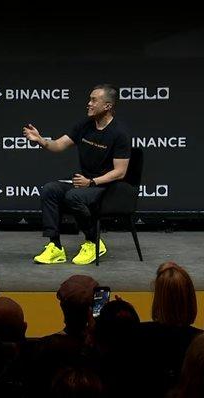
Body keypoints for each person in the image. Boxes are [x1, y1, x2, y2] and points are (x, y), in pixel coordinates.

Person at [23, 84, 131, 265]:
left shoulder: (119, 133)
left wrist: (92, 182)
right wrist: (41, 141)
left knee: (74, 196)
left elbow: (120, 172)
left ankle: (93, 241)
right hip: (85, 183)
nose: (89, 104)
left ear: (107, 106)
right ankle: (55, 247)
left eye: (94, 100)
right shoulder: (85, 125)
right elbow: (58, 145)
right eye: (89, 99)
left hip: (107, 187)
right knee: (50, 189)